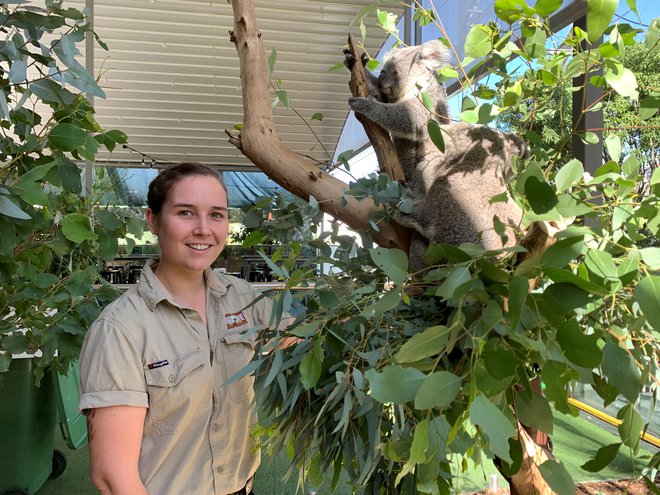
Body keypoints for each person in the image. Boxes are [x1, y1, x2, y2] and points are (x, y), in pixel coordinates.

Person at [79, 162, 276, 495]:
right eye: (185, 213)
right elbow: (113, 477)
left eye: (216, 214)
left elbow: (301, 334)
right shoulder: (122, 329)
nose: (203, 229)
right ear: (153, 221)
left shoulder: (241, 297)